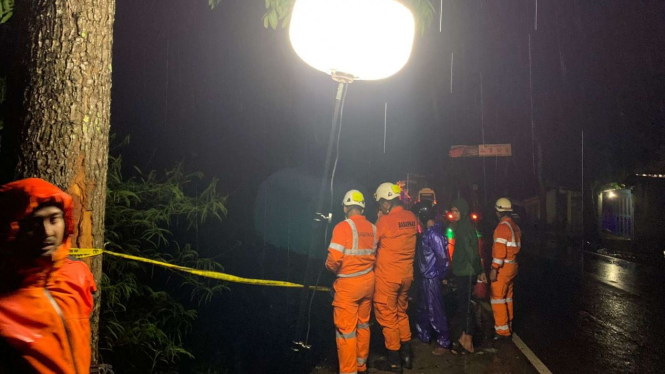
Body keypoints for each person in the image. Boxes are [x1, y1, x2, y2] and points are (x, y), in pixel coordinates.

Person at [0, 178, 97, 373]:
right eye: (35, 222)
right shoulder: (5, 305)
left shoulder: (79, 275)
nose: (47, 232)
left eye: (54, 219)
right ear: (15, 228)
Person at [326, 190, 377, 374]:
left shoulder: (342, 227)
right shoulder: (373, 228)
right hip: (368, 283)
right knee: (363, 325)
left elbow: (334, 260)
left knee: (346, 331)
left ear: (346, 207)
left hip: (348, 286)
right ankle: (361, 365)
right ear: (362, 207)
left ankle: (349, 371)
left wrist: (329, 269)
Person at [373, 182, 418, 373]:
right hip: (407, 275)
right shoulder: (411, 217)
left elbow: (371, 244)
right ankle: (407, 356)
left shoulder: (384, 222)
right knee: (402, 313)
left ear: (385, 203)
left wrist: (379, 220)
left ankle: (394, 362)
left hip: (387, 277)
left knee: (388, 317)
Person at [412, 202, 451, 355]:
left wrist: (442, 276)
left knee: (435, 310)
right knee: (423, 309)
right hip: (425, 277)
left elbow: (442, 258)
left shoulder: (434, 234)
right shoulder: (428, 233)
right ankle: (424, 335)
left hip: (432, 277)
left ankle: (444, 340)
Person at [449, 198, 486, 354]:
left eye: (456, 211)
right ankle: (464, 337)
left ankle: (468, 341)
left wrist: (480, 271)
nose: (453, 213)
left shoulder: (464, 228)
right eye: (453, 210)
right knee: (463, 305)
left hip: (466, 272)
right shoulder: (462, 226)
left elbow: (472, 253)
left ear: (463, 212)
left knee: (465, 307)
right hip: (463, 271)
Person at [490, 198, 522, 340]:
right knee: (508, 297)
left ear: (498, 212)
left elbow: (499, 252)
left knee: (498, 298)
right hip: (513, 265)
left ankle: (502, 331)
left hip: (503, 268)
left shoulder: (502, 228)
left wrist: (494, 268)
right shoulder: (514, 226)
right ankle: (508, 324)